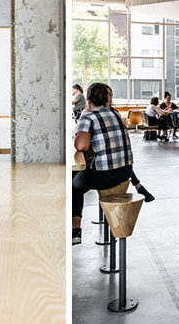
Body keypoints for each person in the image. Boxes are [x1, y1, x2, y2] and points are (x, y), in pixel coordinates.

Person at [72, 81, 135, 245]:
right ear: (107, 98)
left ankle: (76, 231)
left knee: (74, 186)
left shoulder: (88, 116)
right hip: (126, 172)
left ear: (89, 100)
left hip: (106, 177)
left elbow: (80, 145)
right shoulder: (115, 113)